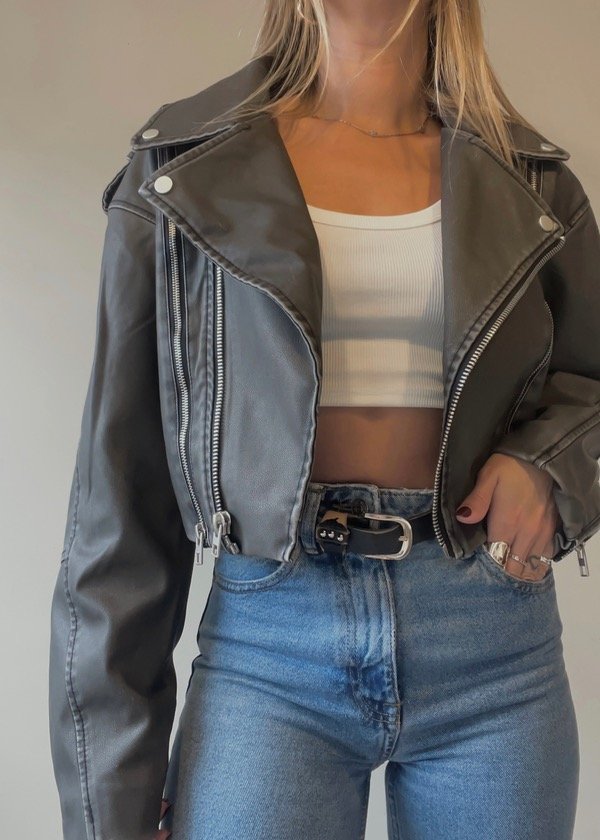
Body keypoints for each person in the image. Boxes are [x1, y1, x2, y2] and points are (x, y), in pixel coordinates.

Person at [49, 1, 600, 838]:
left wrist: (547, 464)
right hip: (269, 649)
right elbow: (118, 501)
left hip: (492, 644)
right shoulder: (180, 172)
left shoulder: (534, 183)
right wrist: (112, 808)